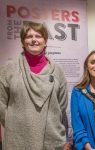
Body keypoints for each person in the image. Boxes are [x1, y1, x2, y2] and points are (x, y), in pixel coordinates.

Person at [0, 21, 69, 150]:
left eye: (38, 36)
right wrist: (15, 123)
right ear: (22, 42)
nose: (33, 40)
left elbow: (61, 105)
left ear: (45, 41)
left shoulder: (57, 71)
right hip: (17, 140)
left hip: (51, 140)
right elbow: (1, 103)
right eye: (28, 36)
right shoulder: (9, 69)